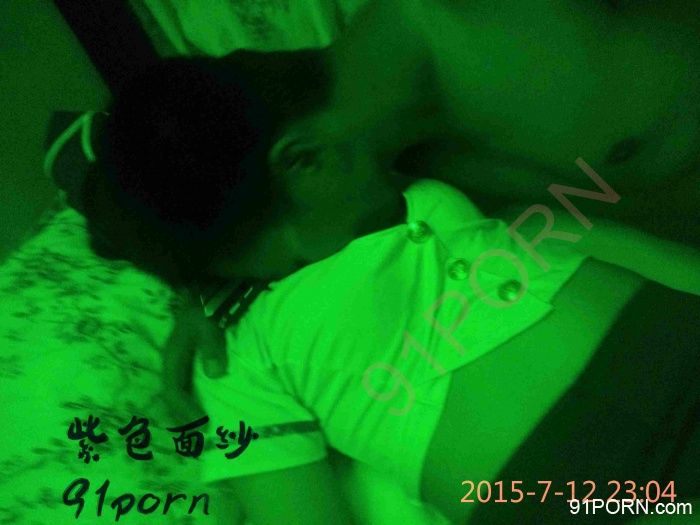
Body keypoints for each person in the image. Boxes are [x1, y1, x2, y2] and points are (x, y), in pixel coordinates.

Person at [81, 2, 700, 523]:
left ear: (303, 160)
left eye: (289, 256)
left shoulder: (508, 25)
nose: (302, 267)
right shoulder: (396, 184)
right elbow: (90, 162)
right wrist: (194, 290)